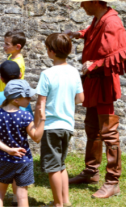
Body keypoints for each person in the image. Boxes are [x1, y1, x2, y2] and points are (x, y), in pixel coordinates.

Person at [65, 0, 126, 198]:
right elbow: (94, 31)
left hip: (104, 83)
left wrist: (94, 65)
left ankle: (113, 181)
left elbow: (122, 54)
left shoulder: (112, 22)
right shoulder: (99, 19)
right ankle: (90, 172)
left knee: (109, 133)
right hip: (93, 83)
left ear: (95, 1)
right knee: (91, 129)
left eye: (83, 2)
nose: (81, 6)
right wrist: (80, 33)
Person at [35, 34, 84, 207]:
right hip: (67, 125)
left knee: (52, 167)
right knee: (61, 164)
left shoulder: (47, 74)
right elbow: (80, 98)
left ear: (52, 52)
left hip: (51, 126)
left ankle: (57, 204)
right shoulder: (74, 72)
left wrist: (36, 125)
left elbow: (41, 104)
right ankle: (66, 201)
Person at [0, 60, 33, 206]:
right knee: (19, 174)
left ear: (1, 78)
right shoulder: (24, 100)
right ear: (20, 75)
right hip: (19, 145)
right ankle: (16, 199)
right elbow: (28, 122)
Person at [0, 80, 44, 207]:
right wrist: (42, 119)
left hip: (4, 159)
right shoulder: (25, 116)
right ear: (16, 100)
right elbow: (36, 137)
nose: (30, 99)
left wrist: (8, 150)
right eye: (27, 96)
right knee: (22, 196)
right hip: (23, 161)